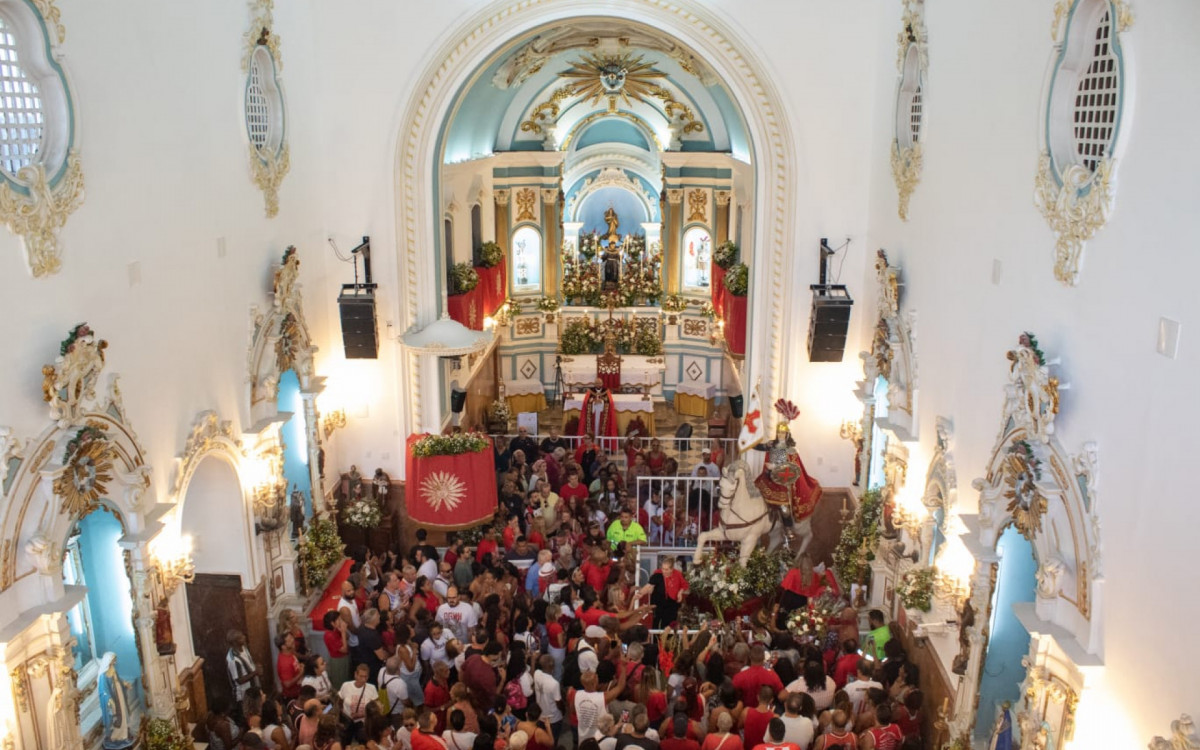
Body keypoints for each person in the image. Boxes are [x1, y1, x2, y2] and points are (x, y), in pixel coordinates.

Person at [341, 664, 380, 742]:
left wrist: (362, 714)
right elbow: (339, 701)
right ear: (355, 674)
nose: (363, 679)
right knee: (344, 741)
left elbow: (376, 708)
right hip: (347, 720)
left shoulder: (372, 688)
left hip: (363, 723)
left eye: (365, 677)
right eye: (361, 676)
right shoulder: (346, 686)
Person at [647, 555, 688, 628]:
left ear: (672, 569)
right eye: (663, 569)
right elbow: (651, 585)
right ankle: (656, 639)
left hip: (672, 602)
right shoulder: (657, 573)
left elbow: (684, 585)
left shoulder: (677, 574)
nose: (664, 571)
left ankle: (668, 638)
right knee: (656, 622)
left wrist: (680, 592)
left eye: (666, 569)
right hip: (659, 601)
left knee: (670, 623)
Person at [226, 630, 260, 704]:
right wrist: (255, 672)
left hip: (253, 688)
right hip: (244, 695)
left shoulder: (244, 647)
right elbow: (239, 680)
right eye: (240, 638)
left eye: (242, 635)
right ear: (234, 643)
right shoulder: (233, 660)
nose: (244, 637)